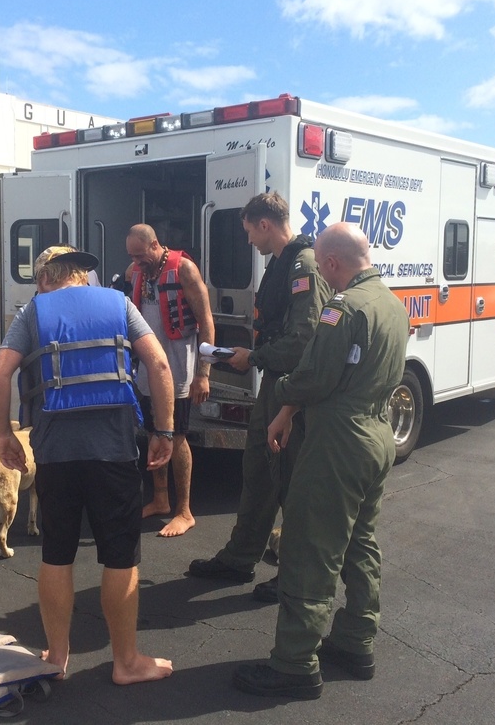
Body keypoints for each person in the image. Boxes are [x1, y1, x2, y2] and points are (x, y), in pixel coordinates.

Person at [232, 222, 409, 699]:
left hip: (338, 441)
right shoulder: (394, 305)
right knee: (359, 543)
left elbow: (313, 378)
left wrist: (282, 397)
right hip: (377, 434)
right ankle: (355, 640)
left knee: (311, 548)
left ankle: (293, 663)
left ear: (331, 263)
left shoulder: (344, 308)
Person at [0, 244, 176, 685]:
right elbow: (159, 363)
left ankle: (55, 656)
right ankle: (126, 662)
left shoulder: (34, 312)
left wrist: (3, 435)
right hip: (114, 453)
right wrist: (164, 431)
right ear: (81, 274)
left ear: (46, 277)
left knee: (56, 555)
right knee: (120, 558)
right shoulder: (120, 303)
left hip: (55, 454)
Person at [188, 192, 332, 601]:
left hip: (292, 390)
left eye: (250, 230)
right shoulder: (281, 264)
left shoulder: (303, 265)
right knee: (259, 469)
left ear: (264, 224)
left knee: (290, 480)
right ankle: (240, 557)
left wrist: (254, 356)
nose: (249, 239)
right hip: (275, 382)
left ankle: (295, 574)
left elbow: (305, 339)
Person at [125, 223, 214, 537]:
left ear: (155, 245)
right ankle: (160, 499)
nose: (136, 262)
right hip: (149, 370)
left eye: (140, 255)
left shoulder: (185, 270)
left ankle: (184, 511)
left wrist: (203, 374)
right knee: (153, 432)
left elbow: (206, 323)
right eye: (132, 257)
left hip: (177, 369)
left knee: (176, 438)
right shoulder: (137, 271)